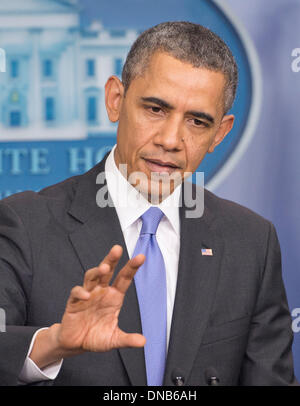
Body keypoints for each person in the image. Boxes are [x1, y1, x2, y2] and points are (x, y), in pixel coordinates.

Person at [0, 21, 296, 386]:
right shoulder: (23, 223)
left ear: (219, 133)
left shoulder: (251, 241)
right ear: (115, 100)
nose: (171, 139)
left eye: (197, 121)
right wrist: (51, 344)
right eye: (156, 109)